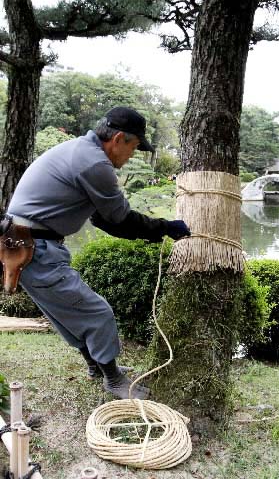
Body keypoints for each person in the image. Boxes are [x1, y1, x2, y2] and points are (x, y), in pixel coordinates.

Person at [2, 107, 190, 400]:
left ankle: (95, 367)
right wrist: (165, 227)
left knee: (67, 315)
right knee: (97, 312)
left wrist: (155, 231)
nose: (132, 157)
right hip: (35, 249)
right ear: (118, 139)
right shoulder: (94, 164)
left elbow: (102, 219)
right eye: (134, 148)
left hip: (25, 245)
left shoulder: (79, 151)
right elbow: (120, 219)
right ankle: (114, 380)